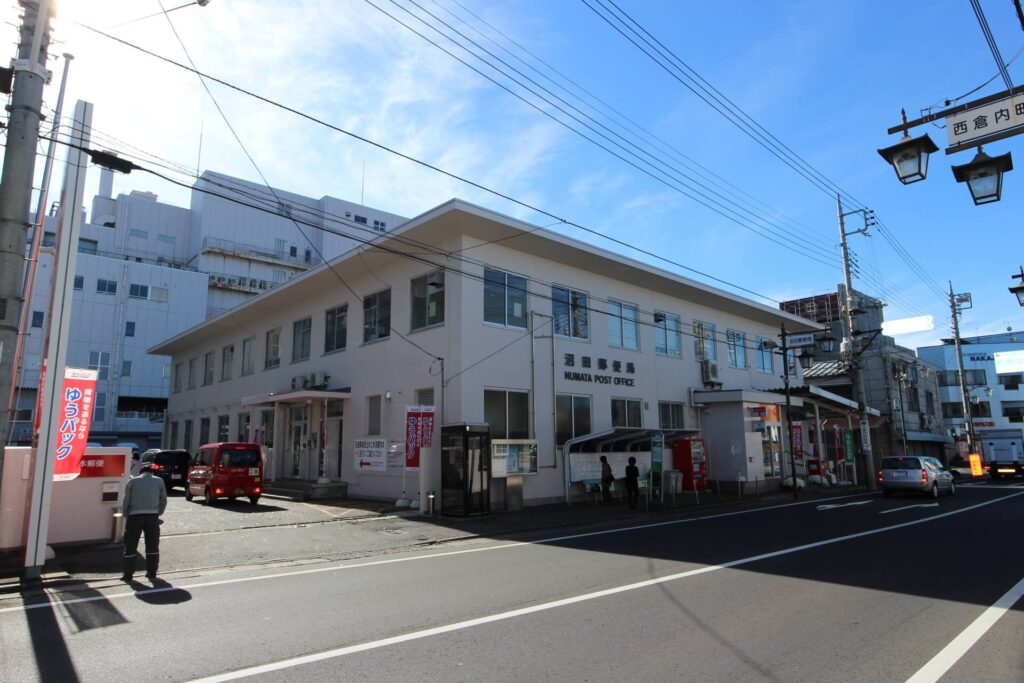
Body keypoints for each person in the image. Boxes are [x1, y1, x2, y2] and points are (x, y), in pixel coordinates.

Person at [121, 463, 167, 582]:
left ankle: (128, 574)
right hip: (152, 517)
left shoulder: (133, 481)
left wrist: (126, 514)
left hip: (134, 517)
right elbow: (163, 500)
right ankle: (152, 572)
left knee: (130, 545)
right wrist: (158, 512)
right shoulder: (159, 481)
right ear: (151, 472)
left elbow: (126, 500)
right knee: (152, 544)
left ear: (140, 472)